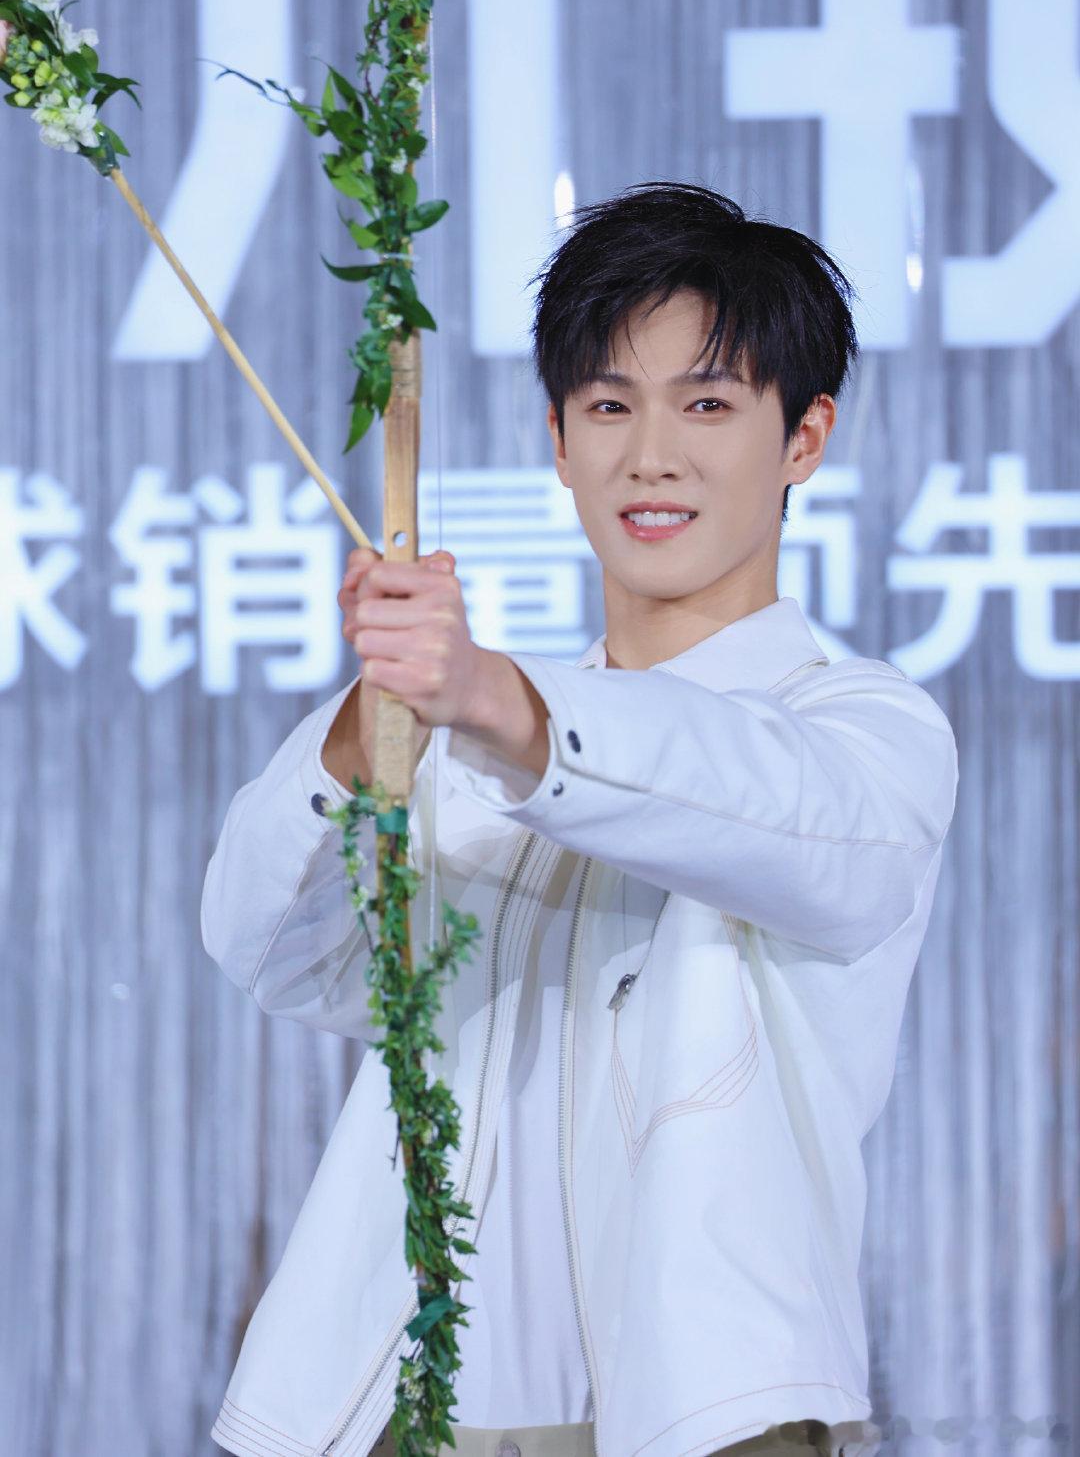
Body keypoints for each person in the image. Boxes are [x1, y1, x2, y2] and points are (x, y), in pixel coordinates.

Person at [202, 182, 958, 1457]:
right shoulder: (467, 733)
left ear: (805, 436)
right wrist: (369, 725)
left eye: (707, 404)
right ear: (557, 438)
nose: (650, 456)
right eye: (609, 405)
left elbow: (765, 804)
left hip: (707, 1418)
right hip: (412, 1412)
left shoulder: (866, 731)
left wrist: (498, 703)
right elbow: (273, 951)